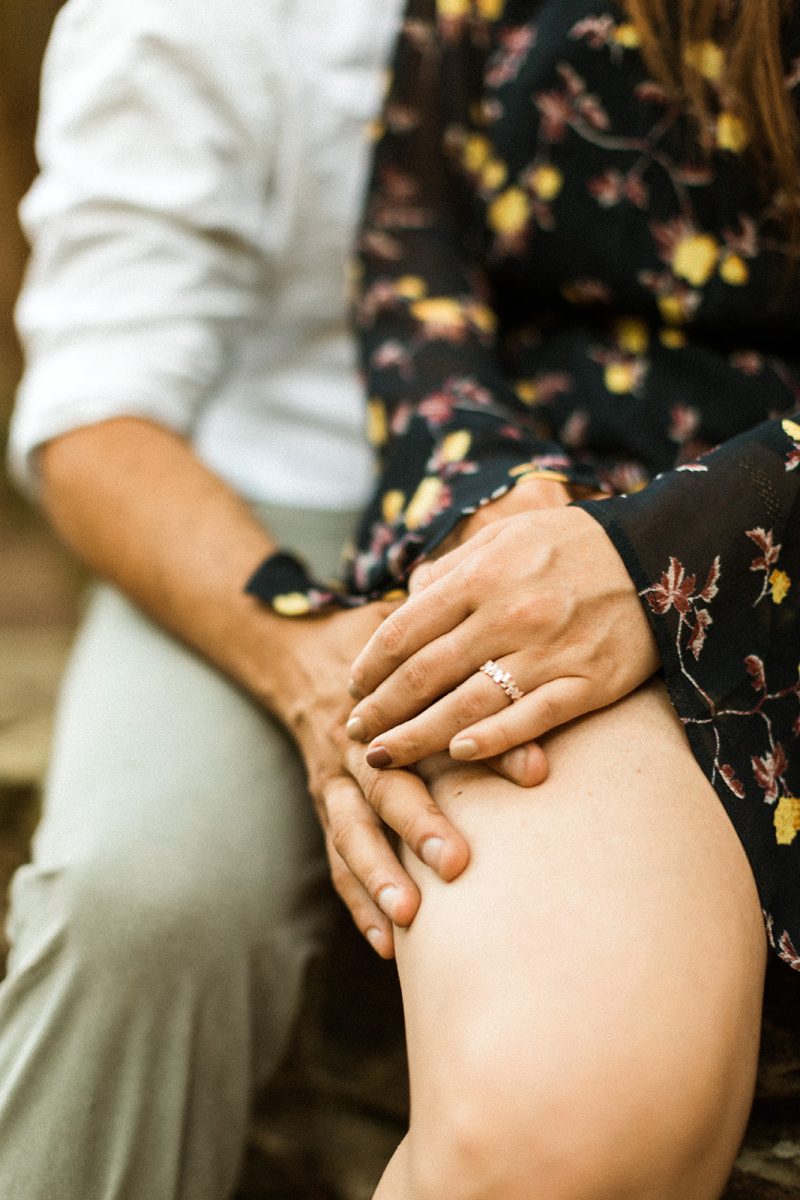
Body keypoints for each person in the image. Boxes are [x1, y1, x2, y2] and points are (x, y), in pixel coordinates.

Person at [244, 1, 800, 1196]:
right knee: (543, 1134)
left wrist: (667, 547)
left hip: (755, 537)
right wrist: (503, 517)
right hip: (545, 513)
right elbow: (411, 269)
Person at [0, 0, 474, 1195]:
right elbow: (97, 422)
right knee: (144, 901)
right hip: (280, 505)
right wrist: (319, 670)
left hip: (628, 474)